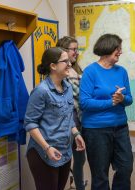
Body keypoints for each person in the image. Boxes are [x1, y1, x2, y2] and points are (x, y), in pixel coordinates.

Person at [24, 47, 85, 190]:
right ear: (53, 66)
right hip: (43, 153)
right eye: (65, 61)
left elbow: (68, 116)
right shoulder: (41, 91)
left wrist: (76, 133)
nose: (70, 64)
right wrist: (47, 148)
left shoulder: (68, 87)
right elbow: (30, 123)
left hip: (65, 151)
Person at [79, 33, 133, 190]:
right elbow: (85, 103)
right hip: (96, 130)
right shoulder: (90, 71)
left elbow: (129, 99)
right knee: (100, 175)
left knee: (125, 168)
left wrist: (121, 98)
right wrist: (111, 102)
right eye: (118, 48)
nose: (120, 52)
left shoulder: (121, 71)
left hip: (120, 128)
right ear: (108, 47)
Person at [56, 36, 87, 190]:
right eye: (73, 49)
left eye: (77, 49)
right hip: (66, 123)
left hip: (80, 121)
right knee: (64, 160)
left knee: (80, 160)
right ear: (63, 51)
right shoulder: (58, 74)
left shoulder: (78, 70)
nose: (77, 52)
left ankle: (79, 185)